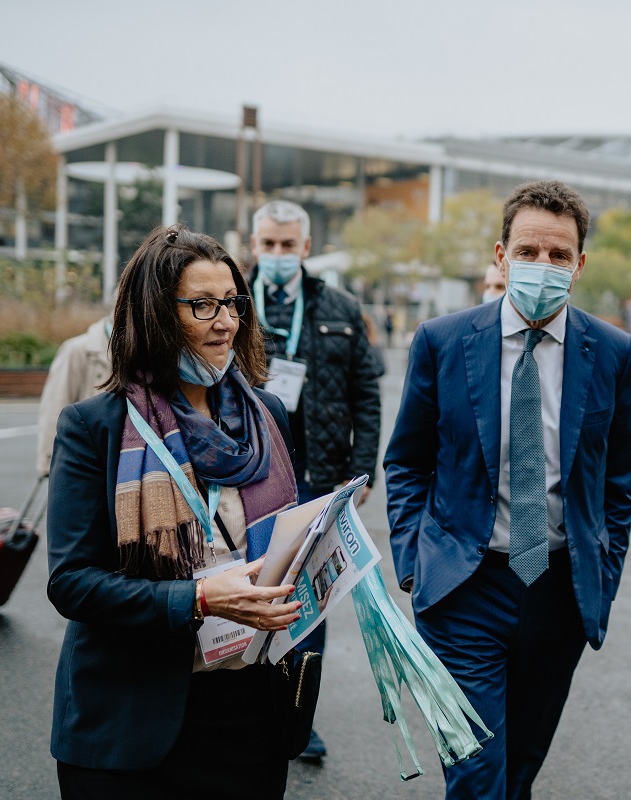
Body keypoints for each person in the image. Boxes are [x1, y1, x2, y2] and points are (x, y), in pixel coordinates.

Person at [385, 180, 631, 799]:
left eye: (558, 256)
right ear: (501, 256)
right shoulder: (443, 342)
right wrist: (415, 562)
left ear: (579, 265)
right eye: (528, 251)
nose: (542, 267)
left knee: (519, 768)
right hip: (464, 587)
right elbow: (407, 462)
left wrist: (602, 574)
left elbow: (619, 482)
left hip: (559, 590)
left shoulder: (611, 351)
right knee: (477, 776)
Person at [47, 226, 303, 799]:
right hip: (132, 720)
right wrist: (199, 599)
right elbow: (72, 583)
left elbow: (288, 538)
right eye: (203, 305)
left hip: (248, 711)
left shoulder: (268, 416)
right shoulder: (96, 428)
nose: (226, 322)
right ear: (156, 314)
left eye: (233, 303)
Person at [249, 198, 383, 762]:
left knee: (309, 601)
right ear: (255, 245)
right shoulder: (229, 301)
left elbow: (367, 396)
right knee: (248, 589)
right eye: (268, 245)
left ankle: (298, 715)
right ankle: (245, 708)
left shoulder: (340, 307)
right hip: (249, 475)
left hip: (318, 478)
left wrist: (364, 470)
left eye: (288, 245)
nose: (278, 256)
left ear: (305, 248)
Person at [36, 314, 112, 476]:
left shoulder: (143, 347)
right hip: (84, 462)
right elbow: (55, 407)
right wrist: (49, 462)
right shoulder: (76, 349)